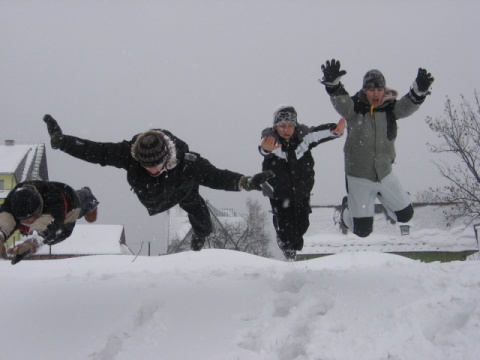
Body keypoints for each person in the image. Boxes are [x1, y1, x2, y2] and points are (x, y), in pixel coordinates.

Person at [42, 114, 274, 251]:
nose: (152, 169)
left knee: (203, 221)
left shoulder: (188, 163)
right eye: (146, 165)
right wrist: (64, 142)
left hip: (183, 191)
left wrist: (247, 181)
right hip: (152, 197)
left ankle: (197, 247)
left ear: (167, 157)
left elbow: (218, 176)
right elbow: (97, 151)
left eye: (156, 164)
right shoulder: (128, 154)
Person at [319, 59, 434, 238]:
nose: (376, 94)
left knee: (405, 215)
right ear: (365, 90)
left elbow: (407, 106)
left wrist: (418, 92)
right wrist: (333, 85)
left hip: (385, 173)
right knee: (362, 230)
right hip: (359, 177)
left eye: (379, 89)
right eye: (372, 89)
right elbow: (341, 102)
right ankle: (345, 213)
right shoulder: (354, 108)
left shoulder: (390, 108)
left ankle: (387, 198)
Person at [259, 105, 345, 260]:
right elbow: (264, 146)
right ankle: (285, 243)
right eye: (282, 126)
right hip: (279, 193)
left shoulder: (303, 137)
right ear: (275, 127)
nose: (286, 129)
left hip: (301, 191)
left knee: (303, 224)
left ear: (295, 126)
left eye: (290, 126)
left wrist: (334, 131)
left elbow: (317, 133)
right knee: (286, 229)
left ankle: (293, 245)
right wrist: (265, 148)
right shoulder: (272, 139)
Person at [0, 181, 99, 264]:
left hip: (69, 204)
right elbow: (5, 218)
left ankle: (89, 198)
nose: (27, 221)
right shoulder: (14, 200)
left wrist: (32, 242)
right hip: (43, 195)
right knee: (33, 230)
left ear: (39, 209)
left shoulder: (55, 202)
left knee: (53, 236)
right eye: (23, 219)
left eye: (31, 218)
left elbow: (47, 222)